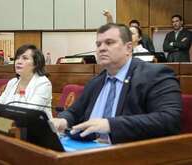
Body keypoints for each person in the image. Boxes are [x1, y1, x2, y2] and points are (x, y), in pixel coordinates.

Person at [51, 23, 181, 144]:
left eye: (109, 43)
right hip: (86, 150)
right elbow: (74, 112)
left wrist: (110, 125)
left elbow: (169, 120)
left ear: (128, 48)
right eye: (98, 44)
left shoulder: (155, 75)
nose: (101, 49)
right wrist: (63, 120)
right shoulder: (96, 81)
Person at [0, 44, 53, 118]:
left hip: (36, 128)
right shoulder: (13, 82)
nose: (18, 61)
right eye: (17, 58)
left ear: (36, 63)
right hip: (10, 125)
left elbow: (30, 113)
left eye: (25, 58)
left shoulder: (43, 83)